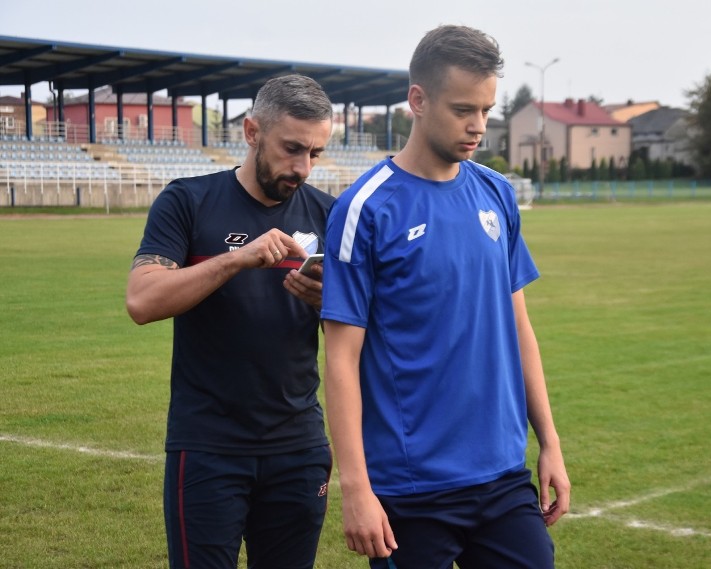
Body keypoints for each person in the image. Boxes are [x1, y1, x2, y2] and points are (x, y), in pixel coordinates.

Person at [320, 25, 571, 568]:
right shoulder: (366, 209)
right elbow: (340, 359)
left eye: (486, 110)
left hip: (504, 478)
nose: (478, 126)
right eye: (463, 109)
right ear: (417, 99)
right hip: (411, 489)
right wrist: (356, 488)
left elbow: (519, 328)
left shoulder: (497, 193)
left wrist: (548, 440)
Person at [126, 74, 335, 569]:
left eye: (316, 154)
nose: (302, 168)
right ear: (251, 132)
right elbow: (142, 301)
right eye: (291, 149)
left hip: (298, 447)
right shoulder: (187, 202)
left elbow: (361, 338)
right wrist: (234, 260)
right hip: (207, 446)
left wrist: (329, 305)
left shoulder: (332, 214)